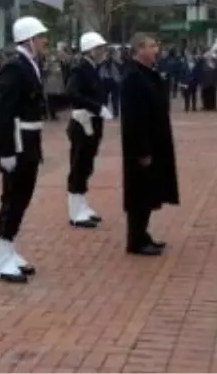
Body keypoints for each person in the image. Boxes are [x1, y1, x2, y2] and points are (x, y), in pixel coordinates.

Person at [0, 16, 50, 283]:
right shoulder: (15, 67)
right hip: (18, 142)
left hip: (29, 140)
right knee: (12, 199)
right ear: (30, 39)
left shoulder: (29, 63)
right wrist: (6, 151)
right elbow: (4, 112)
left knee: (21, 198)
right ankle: (0, 259)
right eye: (41, 37)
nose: (45, 41)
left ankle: (9, 250)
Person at [119, 33, 180, 256]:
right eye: (152, 46)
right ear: (139, 49)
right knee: (139, 194)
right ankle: (135, 241)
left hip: (155, 143)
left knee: (150, 191)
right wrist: (141, 150)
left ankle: (143, 234)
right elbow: (133, 119)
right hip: (141, 148)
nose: (157, 49)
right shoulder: (133, 77)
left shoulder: (148, 73)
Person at [65, 31, 114, 228]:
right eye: (98, 48)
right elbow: (72, 93)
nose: (102, 51)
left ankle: (82, 205)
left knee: (86, 165)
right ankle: (75, 211)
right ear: (90, 50)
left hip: (92, 123)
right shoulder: (80, 69)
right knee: (78, 165)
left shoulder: (92, 68)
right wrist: (97, 107)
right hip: (82, 123)